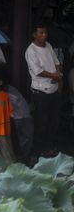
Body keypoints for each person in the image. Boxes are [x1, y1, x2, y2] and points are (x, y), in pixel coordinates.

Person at [25, 23, 63, 153]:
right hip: (40, 91)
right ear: (34, 34)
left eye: (45, 32)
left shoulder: (49, 46)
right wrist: (54, 75)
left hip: (54, 88)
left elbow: (57, 62)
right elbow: (38, 71)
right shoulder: (31, 50)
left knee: (54, 119)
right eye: (41, 33)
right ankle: (38, 149)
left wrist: (57, 75)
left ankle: (49, 146)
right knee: (41, 121)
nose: (44, 35)